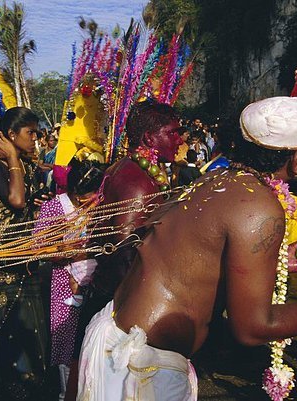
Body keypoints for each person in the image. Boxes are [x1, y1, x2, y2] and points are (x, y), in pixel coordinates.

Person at [76, 96, 297, 400]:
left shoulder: (216, 180)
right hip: (139, 364)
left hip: (120, 336)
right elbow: (254, 327)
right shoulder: (259, 204)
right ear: (296, 159)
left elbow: (196, 257)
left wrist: (274, 263)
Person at [65, 100, 183, 401]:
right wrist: (132, 312)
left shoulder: (137, 169)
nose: (179, 139)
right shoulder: (136, 182)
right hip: (118, 301)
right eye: (172, 133)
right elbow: (123, 251)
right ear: (148, 139)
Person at [0, 107, 51, 400]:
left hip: (24, 260)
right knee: (14, 342)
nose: (35, 139)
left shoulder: (25, 165)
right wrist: (14, 159)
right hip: (0, 267)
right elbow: (16, 200)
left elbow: (25, 202)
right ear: (10, 136)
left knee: (36, 338)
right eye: (30, 133)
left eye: (36, 133)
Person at [33, 159, 106, 399]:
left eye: (97, 192)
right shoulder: (54, 208)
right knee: (67, 340)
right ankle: (66, 392)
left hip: (95, 282)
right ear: (74, 191)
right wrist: (68, 250)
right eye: (89, 193)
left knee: (93, 338)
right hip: (65, 284)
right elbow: (39, 247)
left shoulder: (101, 205)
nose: (94, 197)